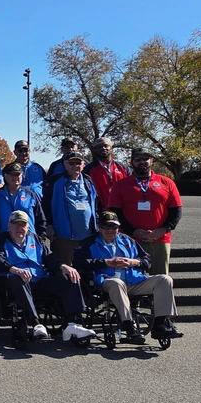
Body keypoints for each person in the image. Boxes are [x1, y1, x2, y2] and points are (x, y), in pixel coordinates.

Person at [75, 211, 182, 342]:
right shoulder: (89, 243)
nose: (110, 230)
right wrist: (106, 262)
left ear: (118, 228)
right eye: (106, 227)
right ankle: (129, 326)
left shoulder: (128, 240)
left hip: (133, 281)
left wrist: (133, 262)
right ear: (99, 228)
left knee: (165, 279)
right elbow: (79, 262)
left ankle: (160, 323)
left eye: (113, 227)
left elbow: (147, 261)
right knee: (116, 283)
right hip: (105, 282)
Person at [0, 211, 93, 344]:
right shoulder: (0, 240)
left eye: (23, 225)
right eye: (15, 225)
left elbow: (50, 259)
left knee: (70, 276)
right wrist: (15, 270)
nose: (19, 228)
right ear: (9, 226)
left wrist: (64, 266)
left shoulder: (36, 239)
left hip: (39, 280)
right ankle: (36, 324)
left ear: (28, 227)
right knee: (17, 278)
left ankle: (73, 323)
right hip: (15, 283)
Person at [109, 148, 182, 276]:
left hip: (160, 239)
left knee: (161, 279)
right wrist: (134, 231)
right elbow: (115, 213)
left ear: (152, 161)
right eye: (137, 159)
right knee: (132, 278)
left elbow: (176, 210)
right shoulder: (120, 185)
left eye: (145, 159)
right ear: (132, 162)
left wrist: (164, 229)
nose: (142, 162)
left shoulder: (167, 182)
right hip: (130, 239)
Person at [43, 150, 100, 265]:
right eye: (71, 163)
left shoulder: (88, 181)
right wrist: (48, 225)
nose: (75, 166)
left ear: (83, 165)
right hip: (64, 236)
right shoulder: (54, 181)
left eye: (78, 163)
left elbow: (95, 204)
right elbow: (45, 205)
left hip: (87, 236)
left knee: (86, 268)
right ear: (65, 164)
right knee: (66, 270)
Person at [0, 162, 46, 239]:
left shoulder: (30, 195)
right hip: (4, 240)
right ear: (5, 176)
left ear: (22, 176)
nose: (15, 177)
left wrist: (41, 238)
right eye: (12, 175)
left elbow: (40, 218)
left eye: (17, 174)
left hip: (29, 239)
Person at [86, 136, 129, 208]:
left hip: (123, 209)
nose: (103, 148)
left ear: (111, 149)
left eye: (105, 146)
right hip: (101, 212)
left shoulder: (123, 168)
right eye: (99, 147)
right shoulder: (88, 170)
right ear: (94, 150)